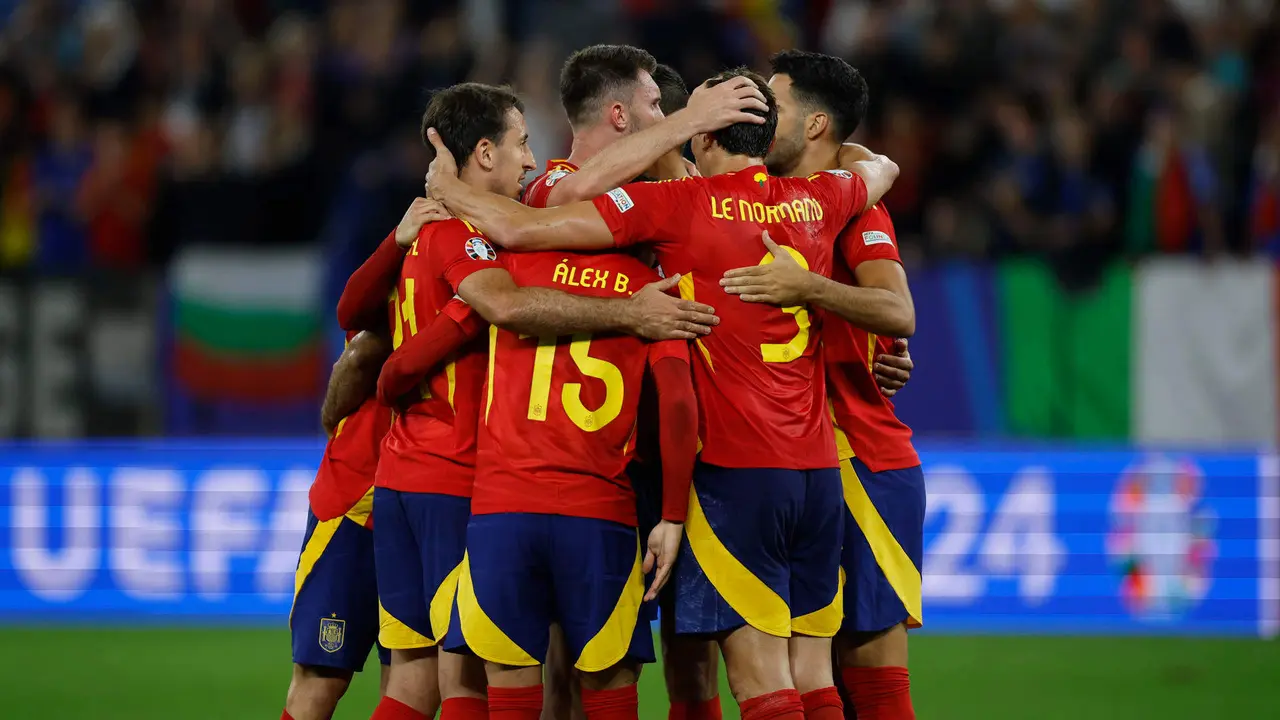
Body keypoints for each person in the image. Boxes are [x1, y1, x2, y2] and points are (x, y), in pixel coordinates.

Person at [422, 68, 898, 720]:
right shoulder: (817, 197)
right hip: (810, 469)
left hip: (726, 471)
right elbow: (881, 172)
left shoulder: (679, 205)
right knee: (806, 671)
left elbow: (524, 230)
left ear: (702, 139)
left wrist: (447, 187)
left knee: (747, 673)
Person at [335, 82, 723, 720]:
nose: (531, 161)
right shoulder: (640, 280)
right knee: (554, 686)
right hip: (554, 495)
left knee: (431, 683)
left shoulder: (511, 255)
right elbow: (677, 402)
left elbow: (369, 330)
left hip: (481, 498)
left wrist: (388, 378)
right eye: (521, 145)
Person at [721, 50, 923, 720]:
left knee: (866, 671)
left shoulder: (854, 210)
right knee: (802, 673)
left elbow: (898, 313)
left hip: (859, 457)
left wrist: (807, 288)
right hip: (791, 463)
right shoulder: (758, 202)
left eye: (771, 105)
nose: (758, 116)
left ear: (812, 126)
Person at [282, 330, 393, 720]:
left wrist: (331, 415)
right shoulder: (497, 279)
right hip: (418, 494)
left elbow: (362, 351)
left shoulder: (397, 273)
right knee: (411, 677)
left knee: (322, 675)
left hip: (363, 488)